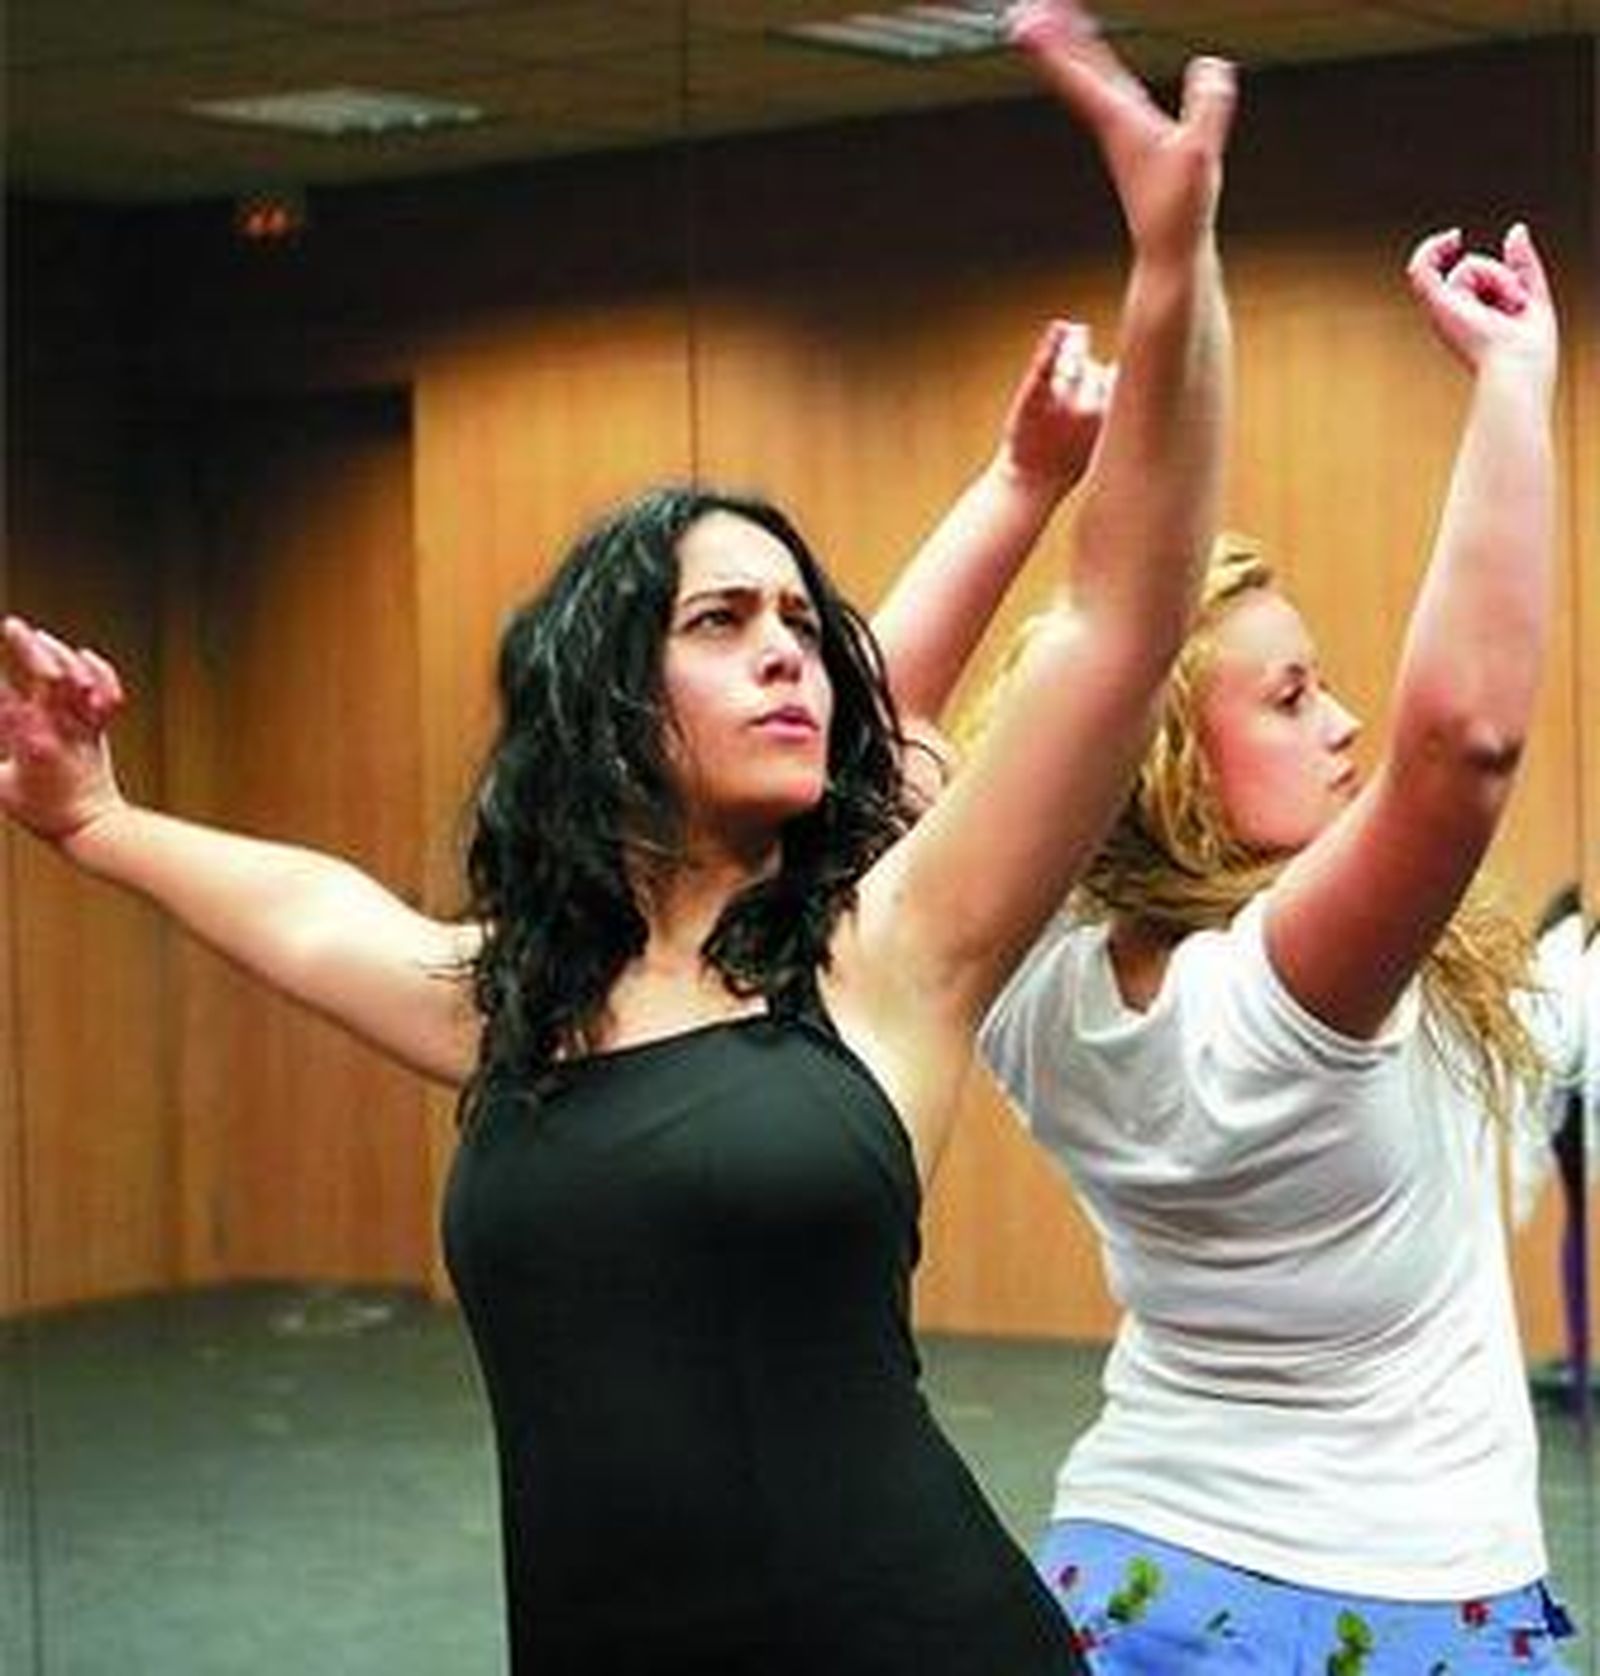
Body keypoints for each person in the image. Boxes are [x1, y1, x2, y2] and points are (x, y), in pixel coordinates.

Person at [0, 5, 1237, 1670]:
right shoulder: (519, 1003)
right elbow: (315, 911)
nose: (790, 649)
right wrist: (96, 819)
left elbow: (1120, 620)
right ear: (606, 698)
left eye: (801, 621)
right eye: (723, 620)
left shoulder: (893, 951)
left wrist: (1173, 263)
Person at [881, 213, 1576, 1669]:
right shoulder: (1280, 999)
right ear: (1172, 768)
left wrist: (1022, 486)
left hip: (1125, 1570)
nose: (1341, 726)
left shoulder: (1026, 971)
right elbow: (1463, 741)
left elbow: (875, 742)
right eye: (1289, 698)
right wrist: (1517, 384)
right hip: (1389, 1603)